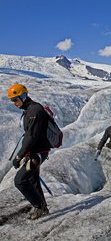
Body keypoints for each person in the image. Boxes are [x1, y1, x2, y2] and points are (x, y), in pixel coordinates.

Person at [7, 83, 51, 220]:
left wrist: (19, 156)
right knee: (32, 180)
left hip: (38, 153)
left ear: (24, 96)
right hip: (35, 152)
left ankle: (38, 206)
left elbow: (31, 136)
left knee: (20, 180)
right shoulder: (30, 110)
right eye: (12, 100)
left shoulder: (34, 111)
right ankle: (42, 207)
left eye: (15, 99)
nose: (13, 103)